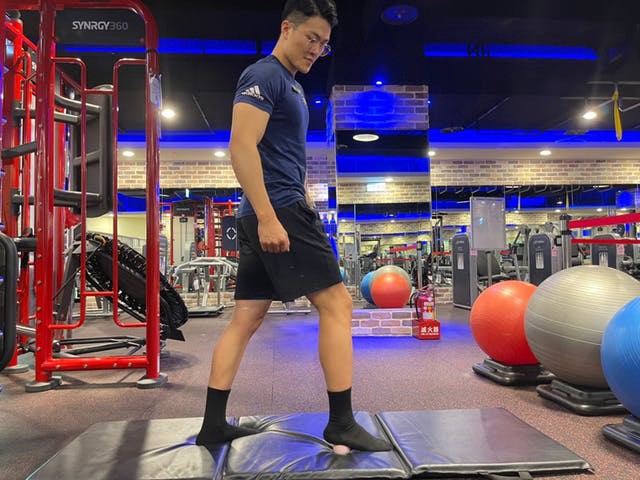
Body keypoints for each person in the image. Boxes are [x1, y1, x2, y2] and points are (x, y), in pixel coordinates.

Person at [195, 0, 391, 453]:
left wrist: (301, 198)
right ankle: (341, 423)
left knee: (246, 316)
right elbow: (241, 146)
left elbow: (281, 155)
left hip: (275, 206)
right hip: (274, 210)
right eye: (311, 38)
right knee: (338, 304)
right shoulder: (264, 75)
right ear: (287, 28)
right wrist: (269, 216)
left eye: (324, 44)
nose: (316, 50)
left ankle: (213, 425)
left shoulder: (292, 86)